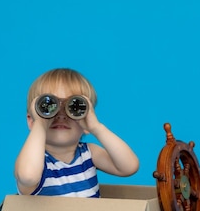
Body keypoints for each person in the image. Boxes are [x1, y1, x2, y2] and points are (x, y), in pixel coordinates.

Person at [14, 68, 139, 197]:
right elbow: (28, 177)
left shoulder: (88, 154)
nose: (61, 116)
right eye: (49, 106)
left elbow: (129, 167)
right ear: (31, 121)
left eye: (74, 107)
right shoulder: (36, 162)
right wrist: (40, 124)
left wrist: (96, 127)